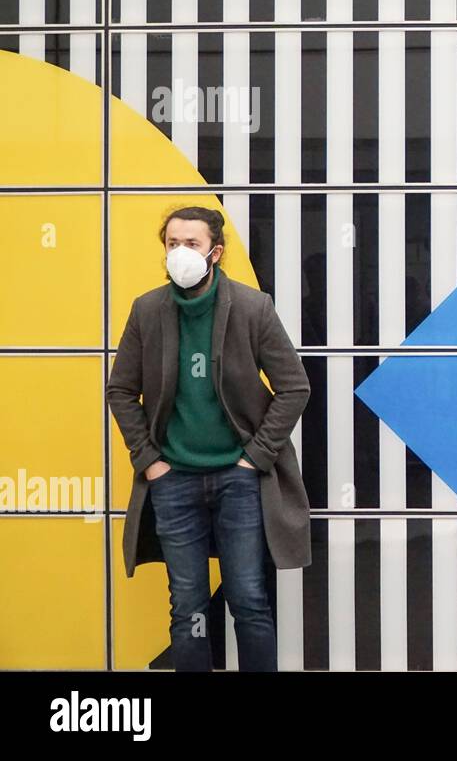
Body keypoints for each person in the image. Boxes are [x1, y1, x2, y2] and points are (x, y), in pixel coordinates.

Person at [107, 206, 312, 671]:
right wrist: (150, 461)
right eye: (172, 244)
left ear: (215, 252)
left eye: (191, 244)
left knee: (249, 599)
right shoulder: (148, 310)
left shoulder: (252, 307)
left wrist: (254, 458)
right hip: (173, 480)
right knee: (187, 607)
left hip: (238, 480)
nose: (180, 253)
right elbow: (120, 389)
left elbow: (295, 387)